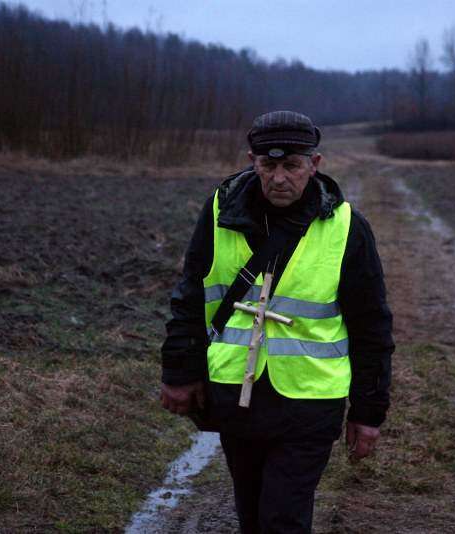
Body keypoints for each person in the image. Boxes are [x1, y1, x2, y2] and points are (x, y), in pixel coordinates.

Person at [160, 110, 394, 534]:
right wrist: (180, 371)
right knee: (251, 515)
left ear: (314, 164)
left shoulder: (347, 228)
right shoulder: (219, 213)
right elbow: (190, 295)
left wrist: (368, 411)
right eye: (268, 166)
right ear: (252, 161)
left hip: (311, 402)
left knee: (282, 519)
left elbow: (372, 327)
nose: (279, 178)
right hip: (235, 395)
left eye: (292, 166)